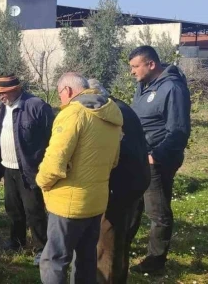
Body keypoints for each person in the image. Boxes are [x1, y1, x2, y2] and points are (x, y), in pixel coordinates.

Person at [36, 73, 123, 284]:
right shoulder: (112, 114)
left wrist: (41, 182)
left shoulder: (73, 114)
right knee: (86, 257)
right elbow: (114, 160)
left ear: (67, 91)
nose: (60, 100)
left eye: (59, 95)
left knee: (54, 259)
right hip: (96, 202)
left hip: (68, 205)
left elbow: (55, 160)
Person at [128, 46, 191, 274]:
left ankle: (155, 262)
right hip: (138, 159)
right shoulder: (143, 86)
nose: (132, 72)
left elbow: (179, 130)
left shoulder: (172, 88)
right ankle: (120, 247)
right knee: (131, 206)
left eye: (136, 67)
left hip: (156, 161)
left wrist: (156, 156)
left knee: (158, 212)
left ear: (151, 64)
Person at [88, 79, 150, 284]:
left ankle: (107, 279)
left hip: (119, 188)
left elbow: (112, 156)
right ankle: (119, 277)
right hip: (135, 184)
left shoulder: (112, 115)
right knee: (121, 239)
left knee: (107, 243)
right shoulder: (122, 107)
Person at [0, 73, 53, 266]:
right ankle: (16, 241)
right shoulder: (3, 107)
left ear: (16, 90)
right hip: (8, 167)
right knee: (13, 208)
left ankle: (41, 248)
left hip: (30, 169)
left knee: (34, 210)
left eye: (3, 93)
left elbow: (51, 138)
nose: (0, 97)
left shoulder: (36, 106)